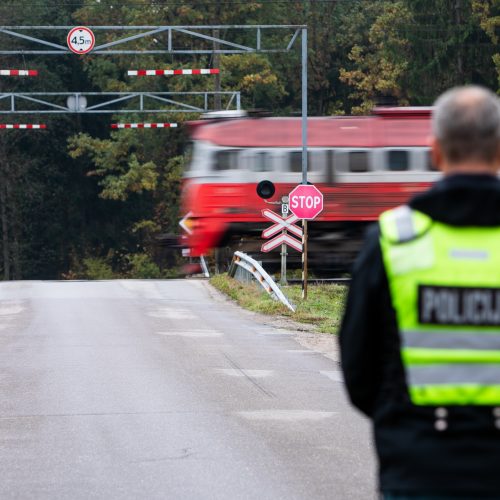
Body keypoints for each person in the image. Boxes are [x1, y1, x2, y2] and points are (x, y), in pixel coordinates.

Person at [339, 85, 500, 499]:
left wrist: (403, 422)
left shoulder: (392, 241)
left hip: (418, 470)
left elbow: (360, 370)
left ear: (435, 151)